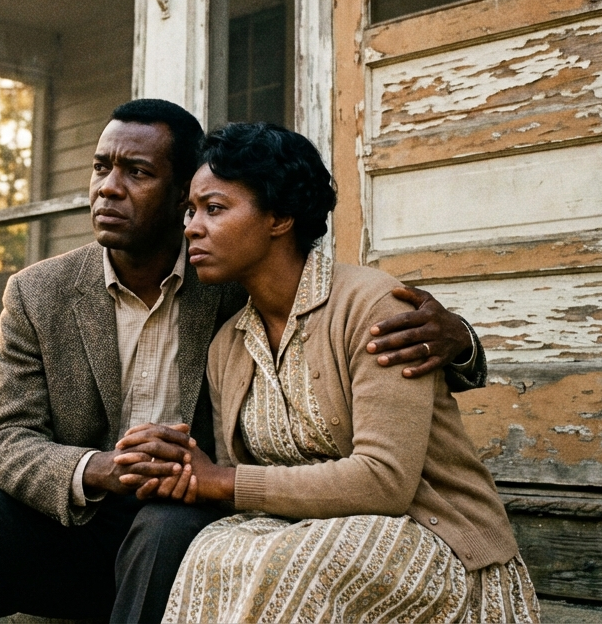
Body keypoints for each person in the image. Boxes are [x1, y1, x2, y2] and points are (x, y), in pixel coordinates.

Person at [0, 100, 491, 624]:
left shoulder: (233, 282)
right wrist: (103, 470)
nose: (108, 187)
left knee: (164, 527)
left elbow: (330, 308)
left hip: (184, 523)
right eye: (100, 167)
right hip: (75, 517)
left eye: (136, 172)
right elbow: (3, 441)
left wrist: (458, 338)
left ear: (181, 194)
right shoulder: (40, 293)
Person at [125, 122, 538, 623]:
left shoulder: (375, 306)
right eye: (191, 210)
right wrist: (183, 466)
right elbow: (237, 488)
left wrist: (223, 482)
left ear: (280, 216)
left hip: (428, 536)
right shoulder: (227, 345)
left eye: (214, 209)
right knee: (209, 551)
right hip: (294, 532)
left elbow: (385, 481)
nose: (191, 226)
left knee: (291, 565)